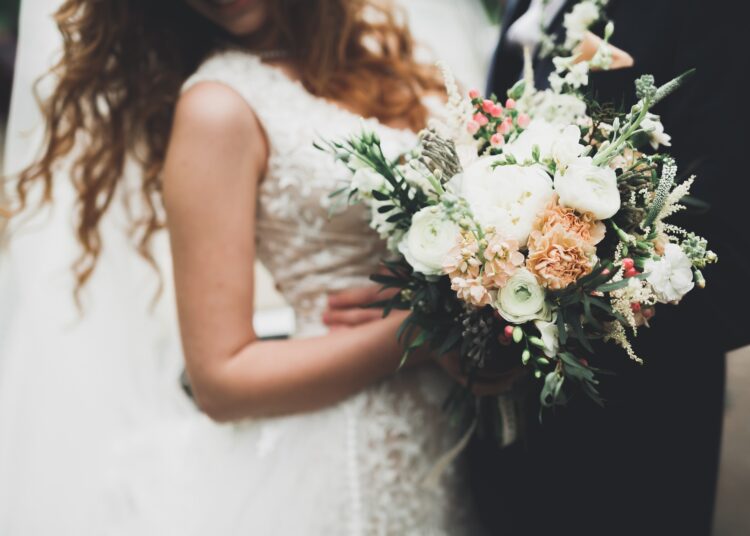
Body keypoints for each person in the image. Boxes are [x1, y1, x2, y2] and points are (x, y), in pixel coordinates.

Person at [1, 0, 485, 534]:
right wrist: (418, 333)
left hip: (465, 437)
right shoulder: (218, 107)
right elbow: (221, 380)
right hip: (354, 460)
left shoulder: (393, 56)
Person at [470, 0, 748, 534]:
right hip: (501, 438)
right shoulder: (524, 9)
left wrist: (562, 318)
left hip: (633, 437)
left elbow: (733, 255)